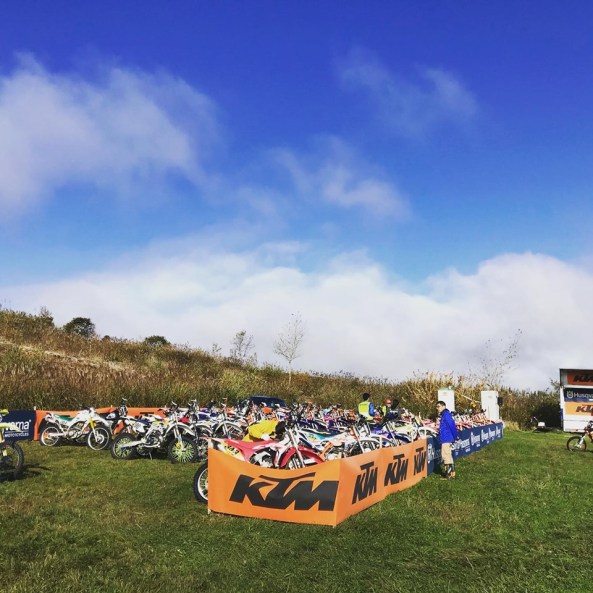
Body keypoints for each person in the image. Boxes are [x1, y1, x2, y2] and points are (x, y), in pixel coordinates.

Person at [436, 400, 458, 480]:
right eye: (436, 407)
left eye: (438, 406)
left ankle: (448, 475)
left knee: (445, 456)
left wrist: (455, 437)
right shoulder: (444, 414)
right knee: (448, 455)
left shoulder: (446, 414)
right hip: (446, 438)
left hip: (446, 438)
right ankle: (452, 473)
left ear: (443, 406)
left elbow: (452, 426)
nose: (437, 408)